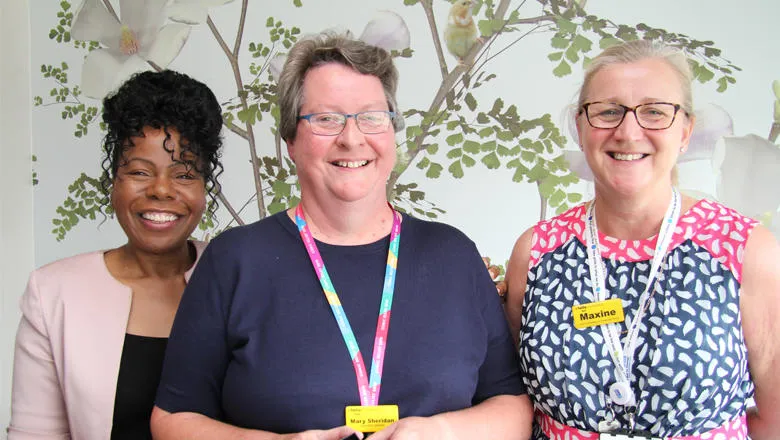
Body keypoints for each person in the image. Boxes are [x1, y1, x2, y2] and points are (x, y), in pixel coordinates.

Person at [150, 32, 533, 440]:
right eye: (327, 119)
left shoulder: (453, 255)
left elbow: (513, 408)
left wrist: (438, 432)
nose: (352, 138)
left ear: (391, 133)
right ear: (291, 142)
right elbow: (173, 419)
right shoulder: (235, 260)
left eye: (371, 116)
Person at [504, 39, 780, 439]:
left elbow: (774, 420)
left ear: (685, 131)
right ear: (581, 129)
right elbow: (514, 398)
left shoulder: (745, 250)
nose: (629, 131)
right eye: (608, 112)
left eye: (654, 112)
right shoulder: (537, 252)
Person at [7, 70, 224, 440]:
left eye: (184, 175)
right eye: (140, 171)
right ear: (114, 182)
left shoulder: (239, 275)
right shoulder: (53, 293)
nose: (160, 190)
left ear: (205, 186)